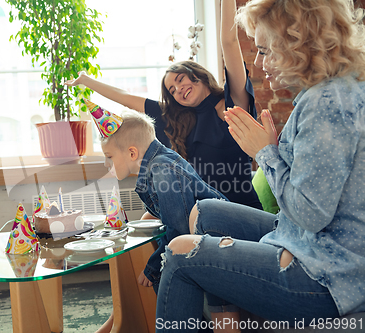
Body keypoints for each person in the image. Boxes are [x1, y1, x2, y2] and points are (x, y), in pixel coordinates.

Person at [155, 0, 365, 332]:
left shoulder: (326, 104)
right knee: (206, 210)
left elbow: (311, 214)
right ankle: (229, 326)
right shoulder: (324, 94)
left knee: (180, 254)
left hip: (328, 274)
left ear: (297, 44)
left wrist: (265, 152)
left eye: (265, 50)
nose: (258, 62)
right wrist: (273, 152)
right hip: (307, 239)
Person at [66, 0, 262, 211]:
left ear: (196, 74)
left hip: (242, 211)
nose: (177, 90)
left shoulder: (232, 102)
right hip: (198, 216)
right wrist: (86, 80)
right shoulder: (176, 119)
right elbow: (125, 97)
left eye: (179, 80)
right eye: (172, 90)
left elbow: (229, 42)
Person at [97, 108, 226, 293]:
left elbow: (179, 228)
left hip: (216, 234)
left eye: (109, 156)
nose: (105, 163)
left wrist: (153, 268)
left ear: (132, 153)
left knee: (158, 279)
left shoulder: (162, 170)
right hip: (201, 231)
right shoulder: (157, 164)